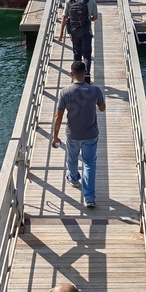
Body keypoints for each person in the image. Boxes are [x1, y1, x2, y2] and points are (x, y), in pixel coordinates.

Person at [52, 61, 105, 209]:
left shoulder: (65, 92)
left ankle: (74, 179)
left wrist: (55, 137)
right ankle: (89, 198)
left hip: (73, 134)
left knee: (72, 158)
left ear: (71, 74)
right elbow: (102, 108)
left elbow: (58, 116)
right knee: (89, 163)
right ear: (86, 72)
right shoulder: (95, 90)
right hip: (91, 134)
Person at [58, 0, 98, 82]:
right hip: (86, 32)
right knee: (87, 55)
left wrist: (61, 34)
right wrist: (88, 18)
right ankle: (87, 75)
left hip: (74, 32)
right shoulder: (91, 0)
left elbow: (64, 17)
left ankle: (77, 78)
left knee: (77, 54)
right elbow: (95, 17)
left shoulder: (69, 0)